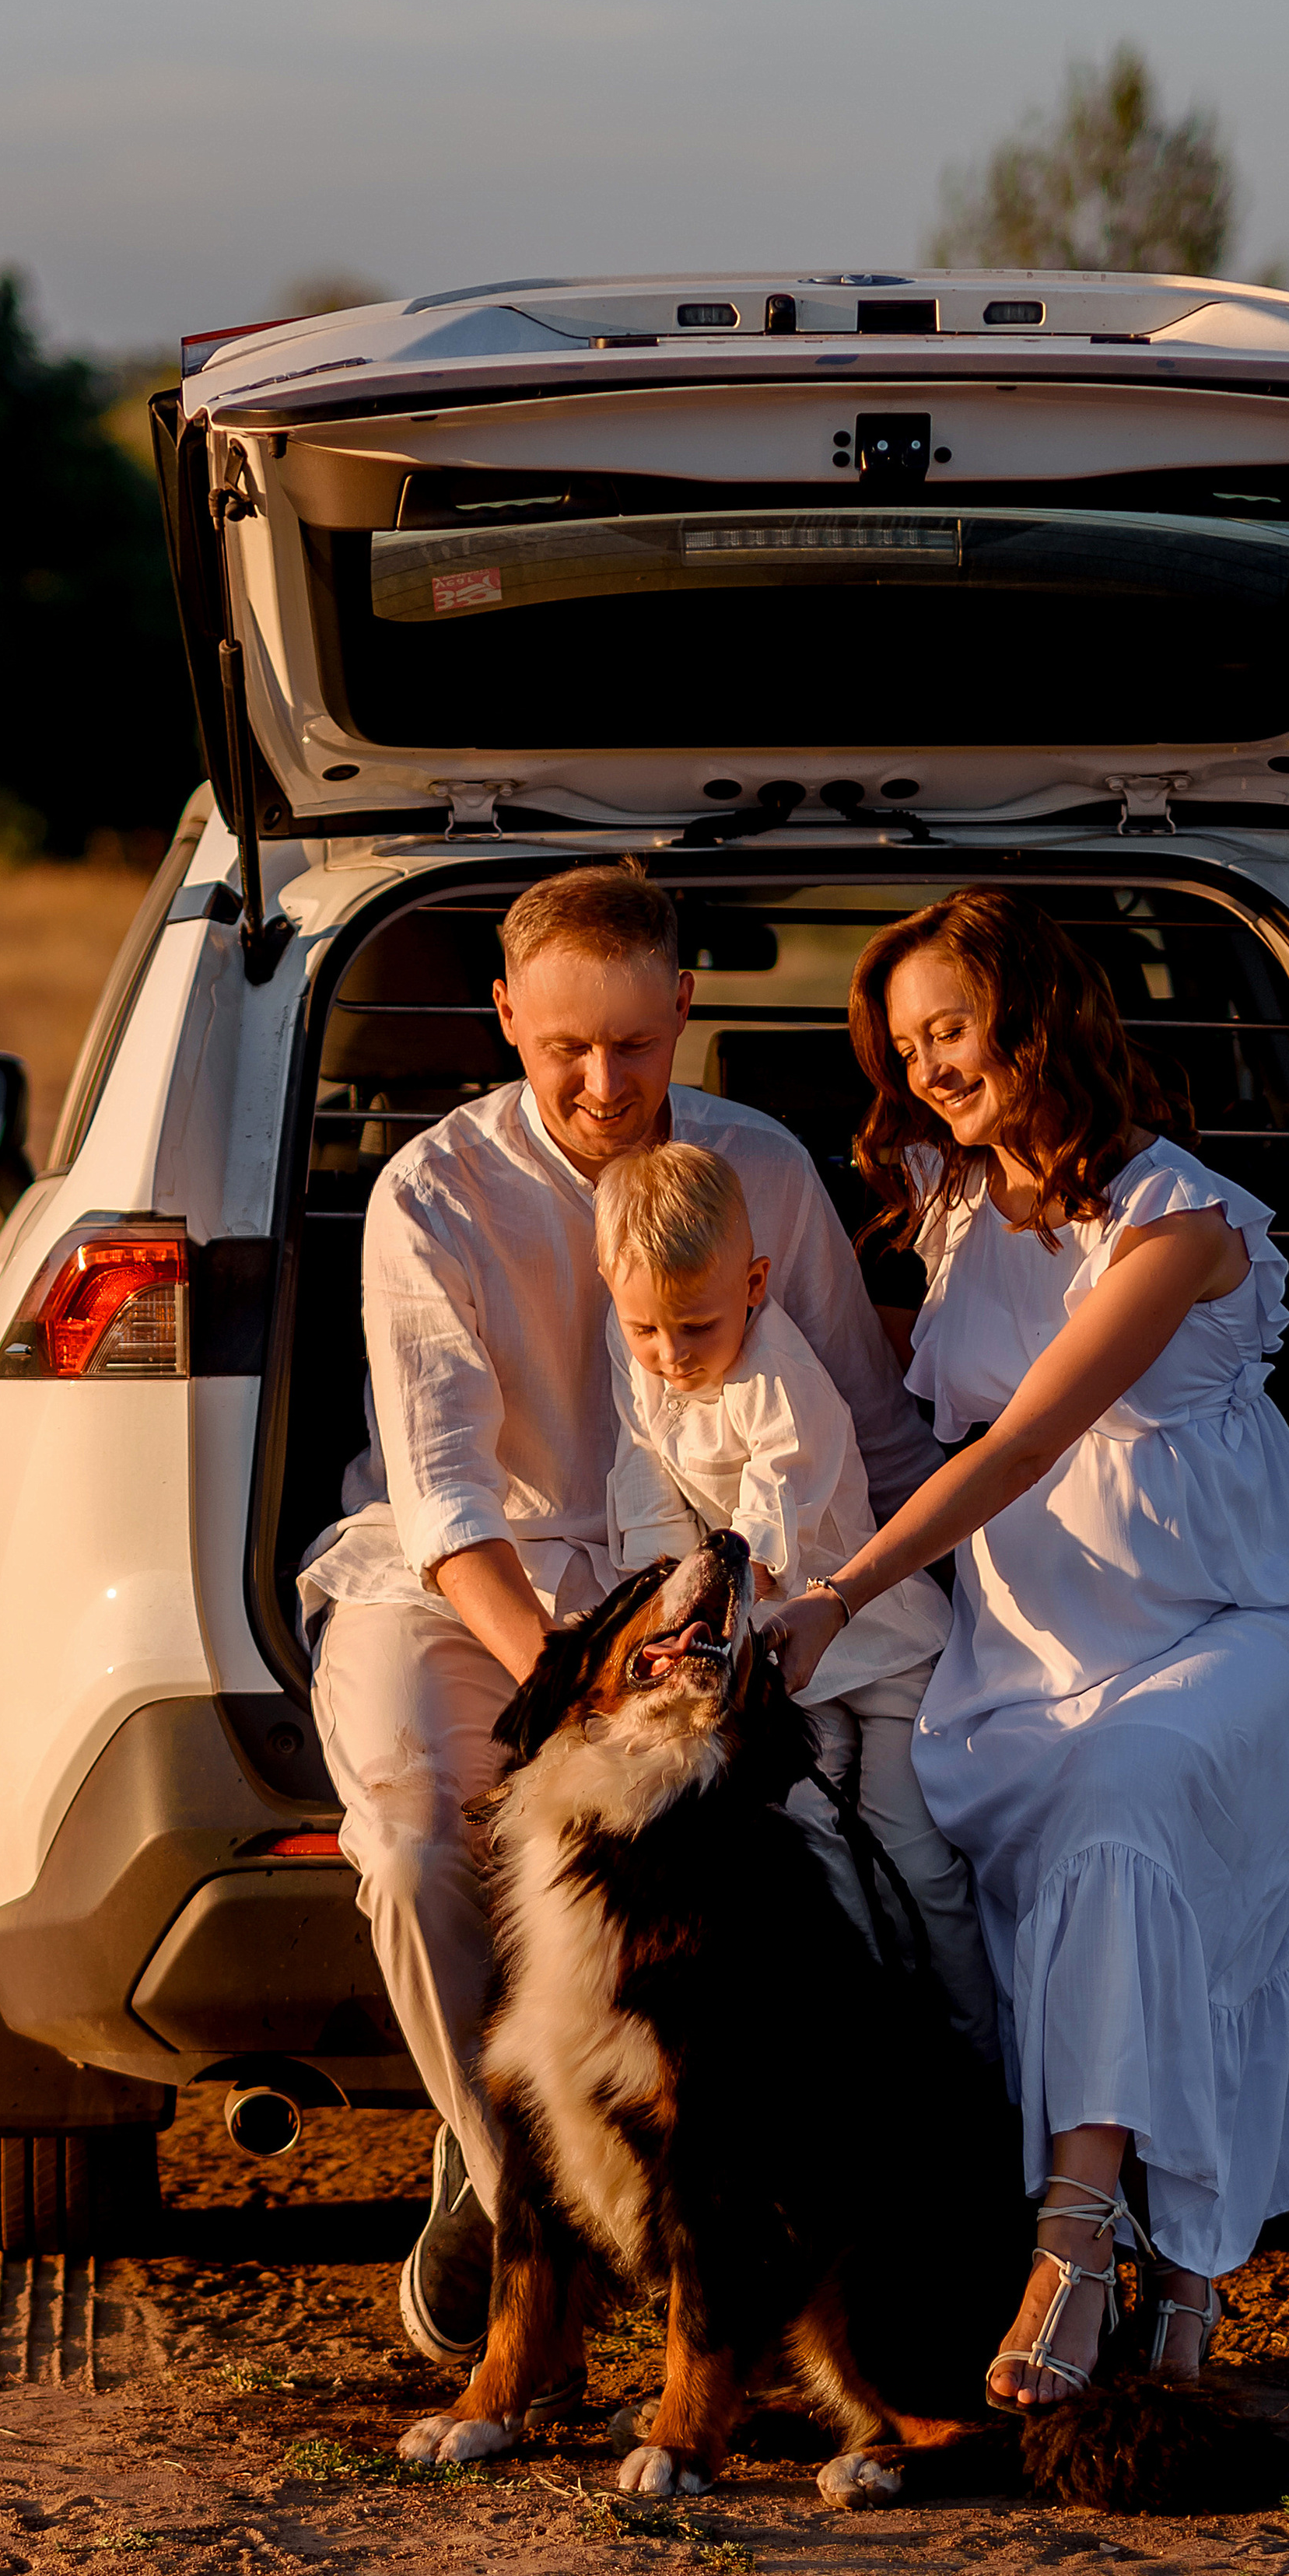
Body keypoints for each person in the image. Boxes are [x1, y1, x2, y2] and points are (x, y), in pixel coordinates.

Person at [297, 862, 944, 2375]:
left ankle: (825, 2217)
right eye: (561, 1045)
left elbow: (866, 1425)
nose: (600, 1082)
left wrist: (942, 1608)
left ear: (683, 1009)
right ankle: (507, 2174)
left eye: (633, 1045)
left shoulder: (761, 1167)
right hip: (473, 1590)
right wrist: (574, 1704)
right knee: (408, 1842)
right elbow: (446, 1493)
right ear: (505, 1015)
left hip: (709, 1594)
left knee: (858, 1851)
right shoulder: (433, 1193)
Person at [769, 888, 1289, 2402]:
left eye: (952, 1029)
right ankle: (1182, 2280)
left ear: (1036, 1013)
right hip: (1034, 1646)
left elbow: (1027, 1442)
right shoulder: (945, 1192)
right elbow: (792, 1258)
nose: (925, 1070)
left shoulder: (1178, 1224)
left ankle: (1074, 2237)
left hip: (1228, 1624)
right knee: (1109, 1876)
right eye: (904, 1046)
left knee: (1119, 1811)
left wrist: (837, 1598)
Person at [597, 1139, 995, 2053]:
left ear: (753, 1283)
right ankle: (865, 2039)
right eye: (643, 1330)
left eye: (693, 1328)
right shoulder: (642, 1363)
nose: (669, 1355)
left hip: (879, 1648)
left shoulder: (781, 1377)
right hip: (786, 1671)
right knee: (812, 1848)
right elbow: (644, 1483)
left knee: (913, 1855)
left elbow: (769, 1524)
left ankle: (978, 2053)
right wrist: (662, 1606)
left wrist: (719, 1601)